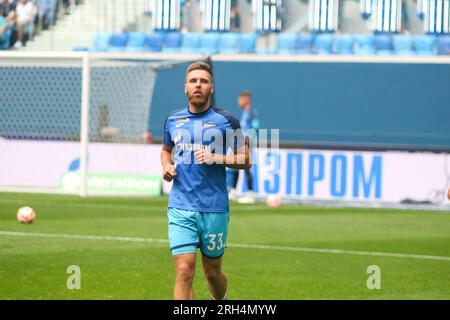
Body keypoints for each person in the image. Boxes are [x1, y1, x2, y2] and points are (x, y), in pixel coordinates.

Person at [161, 61, 250, 300]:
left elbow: (246, 160)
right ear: (185, 87)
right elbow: (166, 149)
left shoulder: (228, 121)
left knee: (212, 273)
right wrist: (166, 166)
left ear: (212, 87)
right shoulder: (173, 120)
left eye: (203, 81)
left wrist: (216, 157)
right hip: (181, 205)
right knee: (183, 270)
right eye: (193, 81)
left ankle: (220, 300)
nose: (198, 85)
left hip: (214, 207)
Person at [228, 90, 259, 204]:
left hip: (247, 143)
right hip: (241, 142)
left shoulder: (251, 112)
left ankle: (250, 194)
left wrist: (248, 139)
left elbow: (256, 127)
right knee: (236, 165)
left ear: (246, 99)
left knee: (246, 166)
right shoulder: (245, 113)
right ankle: (234, 191)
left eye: (240, 99)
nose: (239, 102)